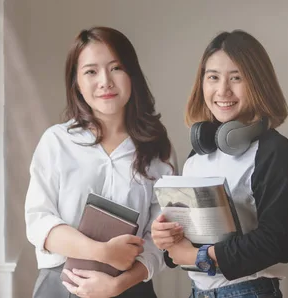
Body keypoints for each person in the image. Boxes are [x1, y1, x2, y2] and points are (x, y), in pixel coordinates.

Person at [151, 30, 288, 298]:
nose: (223, 90)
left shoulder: (274, 152)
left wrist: (200, 256)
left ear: (257, 83)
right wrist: (168, 238)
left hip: (249, 291)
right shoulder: (198, 156)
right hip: (199, 292)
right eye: (213, 77)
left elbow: (276, 242)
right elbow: (189, 243)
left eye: (236, 78)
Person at [24, 26, 175, 298]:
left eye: (116, 68)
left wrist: (119, 283)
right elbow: (38, 221)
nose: (105, 81)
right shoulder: (57, 142)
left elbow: (160, 239)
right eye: (91, 71)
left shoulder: (157, 147)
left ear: (132, 75)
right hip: (62, 285)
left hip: (132, 286)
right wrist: (102, 252)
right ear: (77, 83)